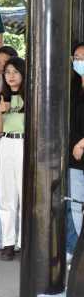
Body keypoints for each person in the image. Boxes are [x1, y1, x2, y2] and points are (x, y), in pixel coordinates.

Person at [0, 56, 25, 261]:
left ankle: (24, 241)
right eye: (7, 72)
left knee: (24, 194)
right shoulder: (2, 97)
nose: (11, 76)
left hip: (24, 144)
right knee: (6, 195)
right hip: (6, 143)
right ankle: (8, 243)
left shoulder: (30, 96)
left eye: (15, 72)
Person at [68, 41, 84, 261]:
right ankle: (77, 250)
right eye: (77, 58)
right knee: (75, 204)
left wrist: (81, 144)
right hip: (73, 157)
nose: (80, 61)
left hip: (80, 149)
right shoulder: (72, 87)